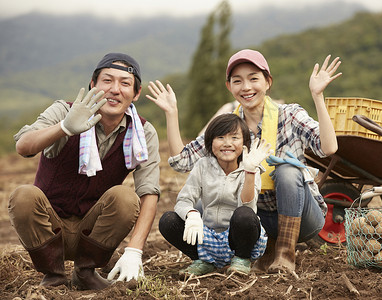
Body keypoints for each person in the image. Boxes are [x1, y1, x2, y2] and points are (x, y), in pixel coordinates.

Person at [148, 49, 341, 274]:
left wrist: (318, 96)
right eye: (237, 81)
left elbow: (329, 148)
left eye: (253, 79)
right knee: (202, 206)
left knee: (287, 170)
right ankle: (234, 254)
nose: (246, 87)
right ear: (229, 87)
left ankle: (285, 254)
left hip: (300, 217)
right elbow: (182, 161)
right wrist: (172, 113)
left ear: (268, 82)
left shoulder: (289, 115)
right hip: (250, 218)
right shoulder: (228, 127)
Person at [8, 53, 161, 290]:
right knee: (23, 196)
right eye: (107, 81)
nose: (115, 90)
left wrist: (135, 251)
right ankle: (53, 273)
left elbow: (149, 192)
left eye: (125, 83)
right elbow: (23, 145)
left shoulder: (142, 131)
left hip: (93, 231)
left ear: (136, 93)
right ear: (93, 84)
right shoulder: (63, 111)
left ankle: (85, 271)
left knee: (125, 198)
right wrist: (64, 127)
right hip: (50, 225)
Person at [156, 113, 272, 275]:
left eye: (234, 138)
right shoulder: (203, 166)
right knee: (168, 220)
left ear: (244, 143)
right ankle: (203, 260)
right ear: (210, 142)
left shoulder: (251, 168)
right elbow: (183, 200)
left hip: (238, 238)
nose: (227, 144)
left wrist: (250, 172)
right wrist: (192, 215)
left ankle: (241, 260)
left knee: (244, 215)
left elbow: (248, 209)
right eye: (220, 137)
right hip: (208, 236)